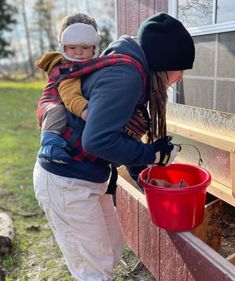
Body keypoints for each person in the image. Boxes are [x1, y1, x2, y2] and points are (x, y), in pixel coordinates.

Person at [33, 12, 195, 281]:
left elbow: (118, 136)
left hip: (87, 178)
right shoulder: (126, 77)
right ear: (164, 62)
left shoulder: (133, 72)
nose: (180, 77)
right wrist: (153, 155)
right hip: (66, 180)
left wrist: (150, 179)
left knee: (111, 248)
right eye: (180, 68)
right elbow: (96, 141)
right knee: (94, 269)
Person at [36, 14, 101, 164]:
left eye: (85, 47)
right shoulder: (67, 69)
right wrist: (86, 112)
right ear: (63, 47)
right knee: (57, 112)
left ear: (94, 48)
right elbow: (70, 96)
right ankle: (50, 146)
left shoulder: (85, 66)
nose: (78, 52)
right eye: (72, 48)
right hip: (52, 107)